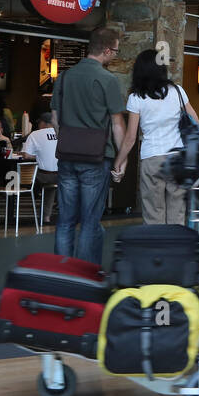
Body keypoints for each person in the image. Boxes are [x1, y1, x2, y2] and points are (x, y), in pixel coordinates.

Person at [51, 26, 126, 265]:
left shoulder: (63, 77)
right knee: (90, 221)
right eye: (115, 51)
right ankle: (83, 276)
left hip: (67, 156)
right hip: (96, 157)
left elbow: (54, 118)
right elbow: (117, 123)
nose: (115, 55)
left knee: (64, 221)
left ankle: (63, 274)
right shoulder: (107, 80)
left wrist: (68, 138)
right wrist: (121, 160)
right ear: (105, 50)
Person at [113, 48, 199, 225]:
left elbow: (131, 137)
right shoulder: (177, 91)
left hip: (152, 158)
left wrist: (119, 161)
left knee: (153, 213)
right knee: (177, 212)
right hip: (178, 158)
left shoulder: (136, 98)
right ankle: (176, 250)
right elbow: (195, 122)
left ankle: (156, 249)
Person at [20, 111, 59, 222]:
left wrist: (38, 156)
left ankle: (45, 215)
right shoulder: (62, 133)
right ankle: (49, 214)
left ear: (44, 123)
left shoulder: (35, 134)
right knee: (51, 185)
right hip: (63, 176)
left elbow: (26, 156)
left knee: (41, 178)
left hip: (43, 177)